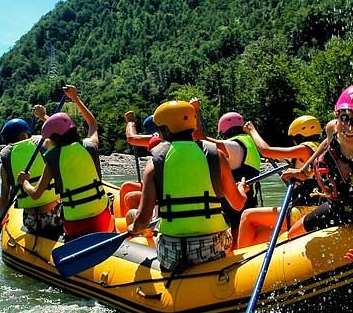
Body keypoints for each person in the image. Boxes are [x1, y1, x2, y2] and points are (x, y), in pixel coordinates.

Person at [127, 100, 249, 272]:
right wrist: (241, 190)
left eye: (160, 129)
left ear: (166, 130)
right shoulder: (216, 155)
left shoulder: (154, 163)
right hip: (213, 249)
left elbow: (143, 220)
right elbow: (238, 203)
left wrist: (133, 228)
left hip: (173, 252)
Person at [280, 84, 353, 263]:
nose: (349, 127)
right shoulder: (332, 129)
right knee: (292, 234)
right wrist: (304, 171)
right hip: (338, 203)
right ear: (337, 116)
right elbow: (327, 145)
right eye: (345, 118)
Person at [19, 85, 114, 241]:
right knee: (110, 216)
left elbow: (35, 194)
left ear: (54, 139)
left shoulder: (52, 159)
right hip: (101, 219)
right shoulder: (90, 146)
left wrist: (24, 183)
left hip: (73, 225)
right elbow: (92, 124)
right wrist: (75, 98)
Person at [236, 115, 324, 247]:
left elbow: (266, 151)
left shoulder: (306, 149)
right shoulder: (317, 150)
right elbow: (278, 157)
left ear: (299, 136)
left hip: (303, 212)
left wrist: (252, 130)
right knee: (259, 233)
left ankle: (239, 261)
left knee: (247, 216)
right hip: (307, 210)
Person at [0, 110, 63, 240]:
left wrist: (0, 220)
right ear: (26, 133)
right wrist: (44, 116)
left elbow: (4, 197)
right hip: (54, 217)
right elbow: (61, 136)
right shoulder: (44, 145)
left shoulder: (7, 159)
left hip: (30, 221)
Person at [213, 111, 262, 230]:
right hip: (249, 201)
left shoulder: (233, 146)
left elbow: (203, 142)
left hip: (236, 208)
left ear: (223, 131)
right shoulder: (249, 142)